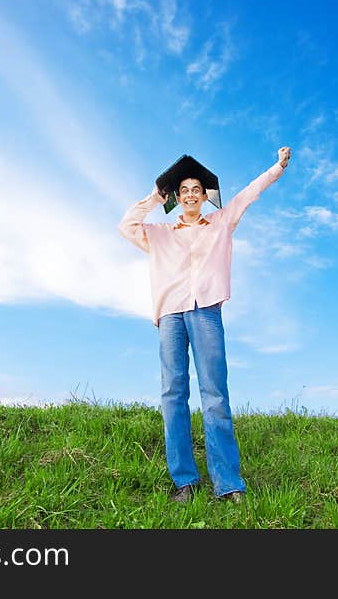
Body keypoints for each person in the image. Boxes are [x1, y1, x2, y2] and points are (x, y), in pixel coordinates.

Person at [118, 146, 291, 503]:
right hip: (170, 315)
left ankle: (228, 484)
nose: (191, 195)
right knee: (173, 394)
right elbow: (126, 225)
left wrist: (276, 168)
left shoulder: (221, 223)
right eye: (184, 191)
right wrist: (154, 197)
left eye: (197, 190)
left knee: (214, 395)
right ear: (177, 198)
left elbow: (248, 195)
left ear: (204, 196)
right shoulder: (160, 234)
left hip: (206, 311)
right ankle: (185, 481)